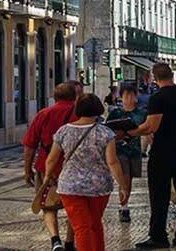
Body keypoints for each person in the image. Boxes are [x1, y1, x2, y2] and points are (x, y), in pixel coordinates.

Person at [127, 64, 176, 249]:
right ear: (171, 75)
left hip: (163, 150)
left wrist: (130, 132)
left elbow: (151, 126)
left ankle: (158, 236)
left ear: (154, 77)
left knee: (159, 194)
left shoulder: (158, 98)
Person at [40, 95, 120, 251]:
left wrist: (48, 176)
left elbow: (51, 159)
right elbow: (112, 161)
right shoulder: (105, 133)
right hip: (99, 186)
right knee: (96, 224)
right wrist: (122, 185)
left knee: (81, 227)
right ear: (98, 109)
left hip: (70, 186)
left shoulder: (63, 131)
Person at [21, 82, 80, 251]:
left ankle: (55, 240)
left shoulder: (43, 114)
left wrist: (27, 170)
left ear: (55, 97)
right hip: (74, 168)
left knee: (47, 205)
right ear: (74, 96)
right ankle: (70, 242)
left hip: (46, 168)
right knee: (74, 207)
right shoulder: (80, 114)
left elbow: (29, 145)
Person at [107, 86, 148, 223]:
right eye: (126, 96)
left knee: (129, 179)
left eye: (131, 96)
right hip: (119, 150)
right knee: (124, 177)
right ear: (121, 97)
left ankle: (124, 202)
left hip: (134, 150)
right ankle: (123, 206)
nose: (129, 99)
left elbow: (147, 130)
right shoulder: (115, 113)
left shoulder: (141, 113)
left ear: (136, 98)